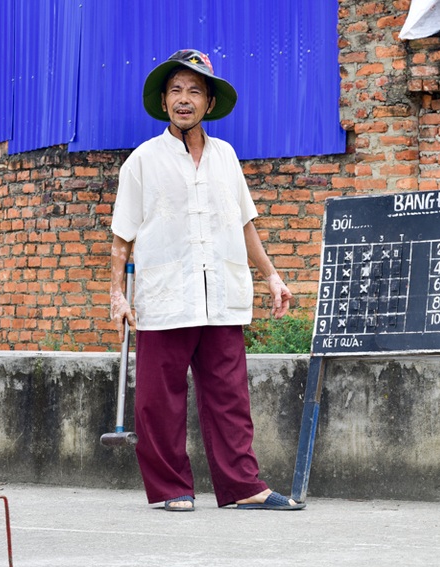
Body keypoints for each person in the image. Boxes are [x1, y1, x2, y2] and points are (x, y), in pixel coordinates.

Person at [109, 49, 304, 512]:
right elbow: (121, 237)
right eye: (176, 90)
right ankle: (172, 487)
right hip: (166, 296)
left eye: (195, 91)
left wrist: (272, 276)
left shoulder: (226, 157)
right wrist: (118, 295)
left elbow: (244, 224)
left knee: (229, 396)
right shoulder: (142, 161)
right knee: (160, 400)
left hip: (220, 294)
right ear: (163, 101)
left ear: (209, 103)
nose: (184, 99)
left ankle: (243, 487)